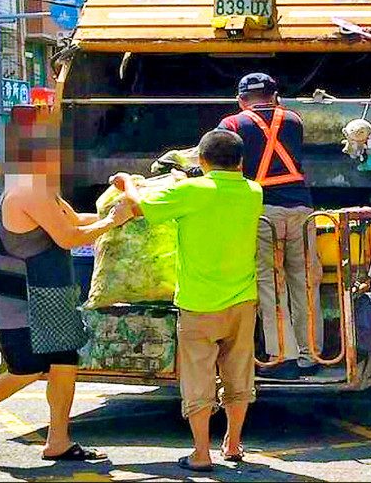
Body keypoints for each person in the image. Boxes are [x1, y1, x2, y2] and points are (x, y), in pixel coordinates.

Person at [0, 104, 133, 461]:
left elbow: (75, 219)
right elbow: (67, 237)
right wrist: (112, 222)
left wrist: (121, 213)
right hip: (17, 295)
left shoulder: (42, 187)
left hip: (50, 293)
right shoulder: (28, 189)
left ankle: (58, 440)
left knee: (64, 361)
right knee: (27, 367)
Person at [111, 129, 262, 473]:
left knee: (198, 377)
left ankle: (201, 453)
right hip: (242, 301)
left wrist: (126, 184)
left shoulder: (190, 192)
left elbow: (137, 207)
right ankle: (234, 444)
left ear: (203, 161)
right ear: (241, 162)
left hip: (199, 304)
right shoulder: (253, 191)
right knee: (238, 375)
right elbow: (215, 189)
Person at [218, 72, 323, 380]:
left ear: (240, 100)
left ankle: (282, 357)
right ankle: (310, 354)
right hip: (302, 209)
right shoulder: (294, 120)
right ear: (275, 96)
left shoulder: (232, 125)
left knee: (270, 283)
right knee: (305, 281)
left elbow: (223, 165)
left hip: (263, 211)